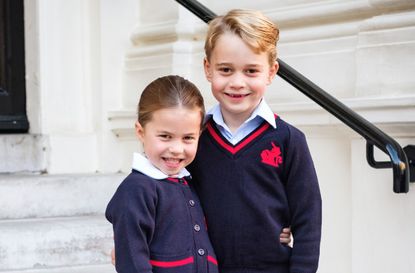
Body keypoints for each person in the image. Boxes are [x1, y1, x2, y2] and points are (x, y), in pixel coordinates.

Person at [188, 9, 322, 273]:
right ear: (208, 68)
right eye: (225, 69)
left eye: (251, 71)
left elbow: (308, 216)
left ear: (271, 72)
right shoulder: (194, 138)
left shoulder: (288, 140)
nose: (237, 82)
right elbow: (163, 194)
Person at [105, 75, 219, 273]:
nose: (176, 149)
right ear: (141, 132)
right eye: (165, 137)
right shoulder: (137, 190)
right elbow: (132, 261)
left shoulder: (189, 181)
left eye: (188, 138)